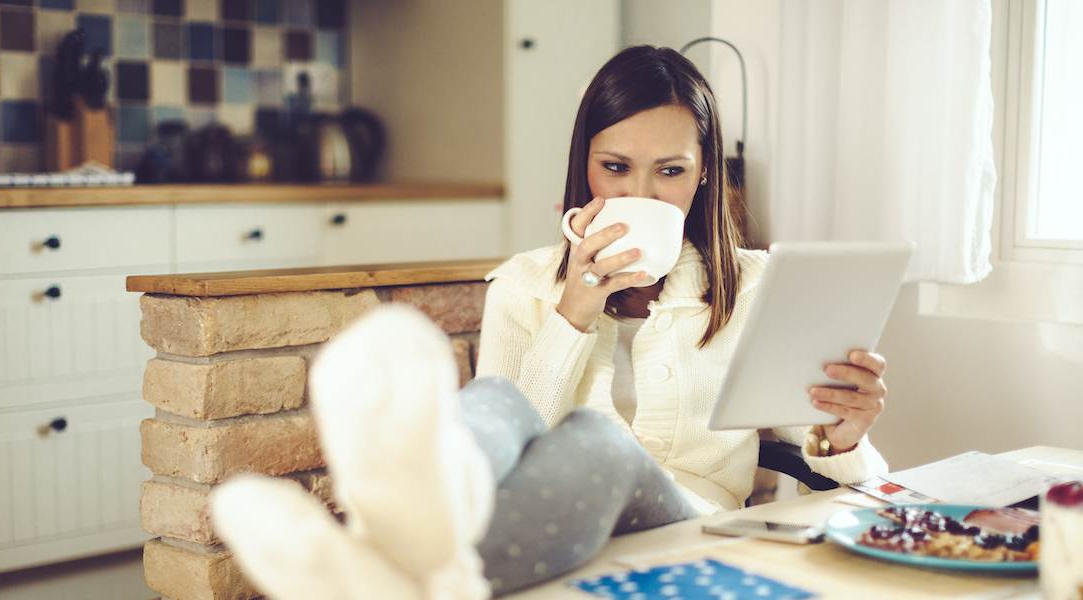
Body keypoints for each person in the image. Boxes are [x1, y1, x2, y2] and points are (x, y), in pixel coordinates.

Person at [209, 45, 889, 600]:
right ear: (583, 166)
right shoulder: (523, 287)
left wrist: (846, 434)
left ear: (705, 173)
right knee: (494, 399)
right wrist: (573, 309)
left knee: (597, 439)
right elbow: (512, 440)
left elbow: (846, 480)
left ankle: (377, 573)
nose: (640, 196)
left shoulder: (755, 286)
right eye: (615, 168)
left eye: (671, 171)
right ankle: (398, 563)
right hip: (552, 538)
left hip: (696, 533)